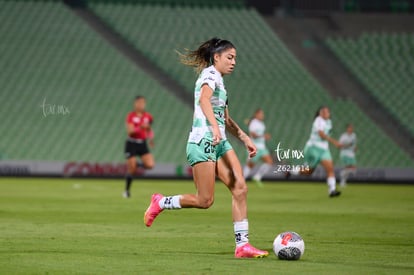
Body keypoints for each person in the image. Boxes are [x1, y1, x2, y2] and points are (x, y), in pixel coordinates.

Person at [144, 38, 268, 258]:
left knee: (240, 188)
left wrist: (243, 136)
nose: (234, 62)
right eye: (229, 57)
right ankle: (161, 202)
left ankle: (242, 246)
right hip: (203, 141)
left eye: (235, 58)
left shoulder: (220, 81)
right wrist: (214, 127)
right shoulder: (210, 75)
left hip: (219, 142)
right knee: (205, 201)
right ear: (216, 57)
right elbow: (203, 100)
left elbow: (226, 119)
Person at [288, 106, 342, 197]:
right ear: (320, 113)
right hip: (313, 149)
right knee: (308, 171)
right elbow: (321, 134)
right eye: (323, 112)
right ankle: (291, 170)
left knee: (330, 168)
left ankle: (332, 190)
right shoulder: (319, 120)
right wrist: (334, 142)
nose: (325, 113)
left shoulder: (329, 122)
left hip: (324, 150)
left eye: (327, 112)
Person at [124, 96, 155, 198]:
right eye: (139, 102)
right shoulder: (131, 116)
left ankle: (136, 164)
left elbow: (149, 129)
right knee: (131, 169)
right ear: (135, 104)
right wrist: (140, 127)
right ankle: (127, 191)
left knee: (150, 165)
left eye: (143, 103)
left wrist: (150, 139)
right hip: (131, 143)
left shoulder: (148, 117)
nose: (141, 105)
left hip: (142, 143)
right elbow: (130, 131)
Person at [243, 109, 273, 185]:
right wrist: (263, 136)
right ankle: (242, 179)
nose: (262, 115)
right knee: (250, 165)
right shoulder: (253, 123)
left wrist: (263, 137)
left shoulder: (261, 124)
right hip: (254, 147)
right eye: (261, 114)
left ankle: (257, 177)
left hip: (262, 147)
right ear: (256, 114)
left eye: (262, 114)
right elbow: (253, 135)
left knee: (269, 162)